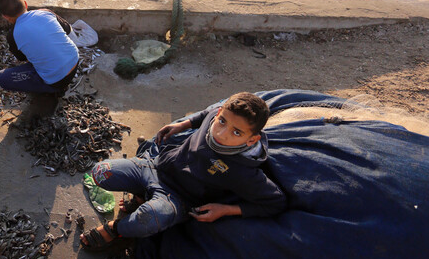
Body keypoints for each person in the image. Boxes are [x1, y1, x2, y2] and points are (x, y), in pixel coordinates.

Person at [79, 92, 286, 250]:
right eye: (222, 121)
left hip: (177, 198)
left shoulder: (245, 170)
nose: (221, 133)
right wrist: (183, 125)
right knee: (100, 171)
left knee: (147, 220)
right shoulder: (216, 116)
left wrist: (225, 210)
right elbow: (207, 114)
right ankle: (141, 196)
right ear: (221, 112)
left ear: (252, 140)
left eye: (236, 132)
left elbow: (275, 202)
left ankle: (116, 229)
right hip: (157, 166)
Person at [0, 0, 80, 94]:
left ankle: (52, 91)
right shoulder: (45, 12)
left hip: (56, 82)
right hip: (75, 61)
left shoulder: (12, 36)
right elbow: (67, 29)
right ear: (25, 4)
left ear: (5, 17)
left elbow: (23, 58)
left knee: (2, 78)